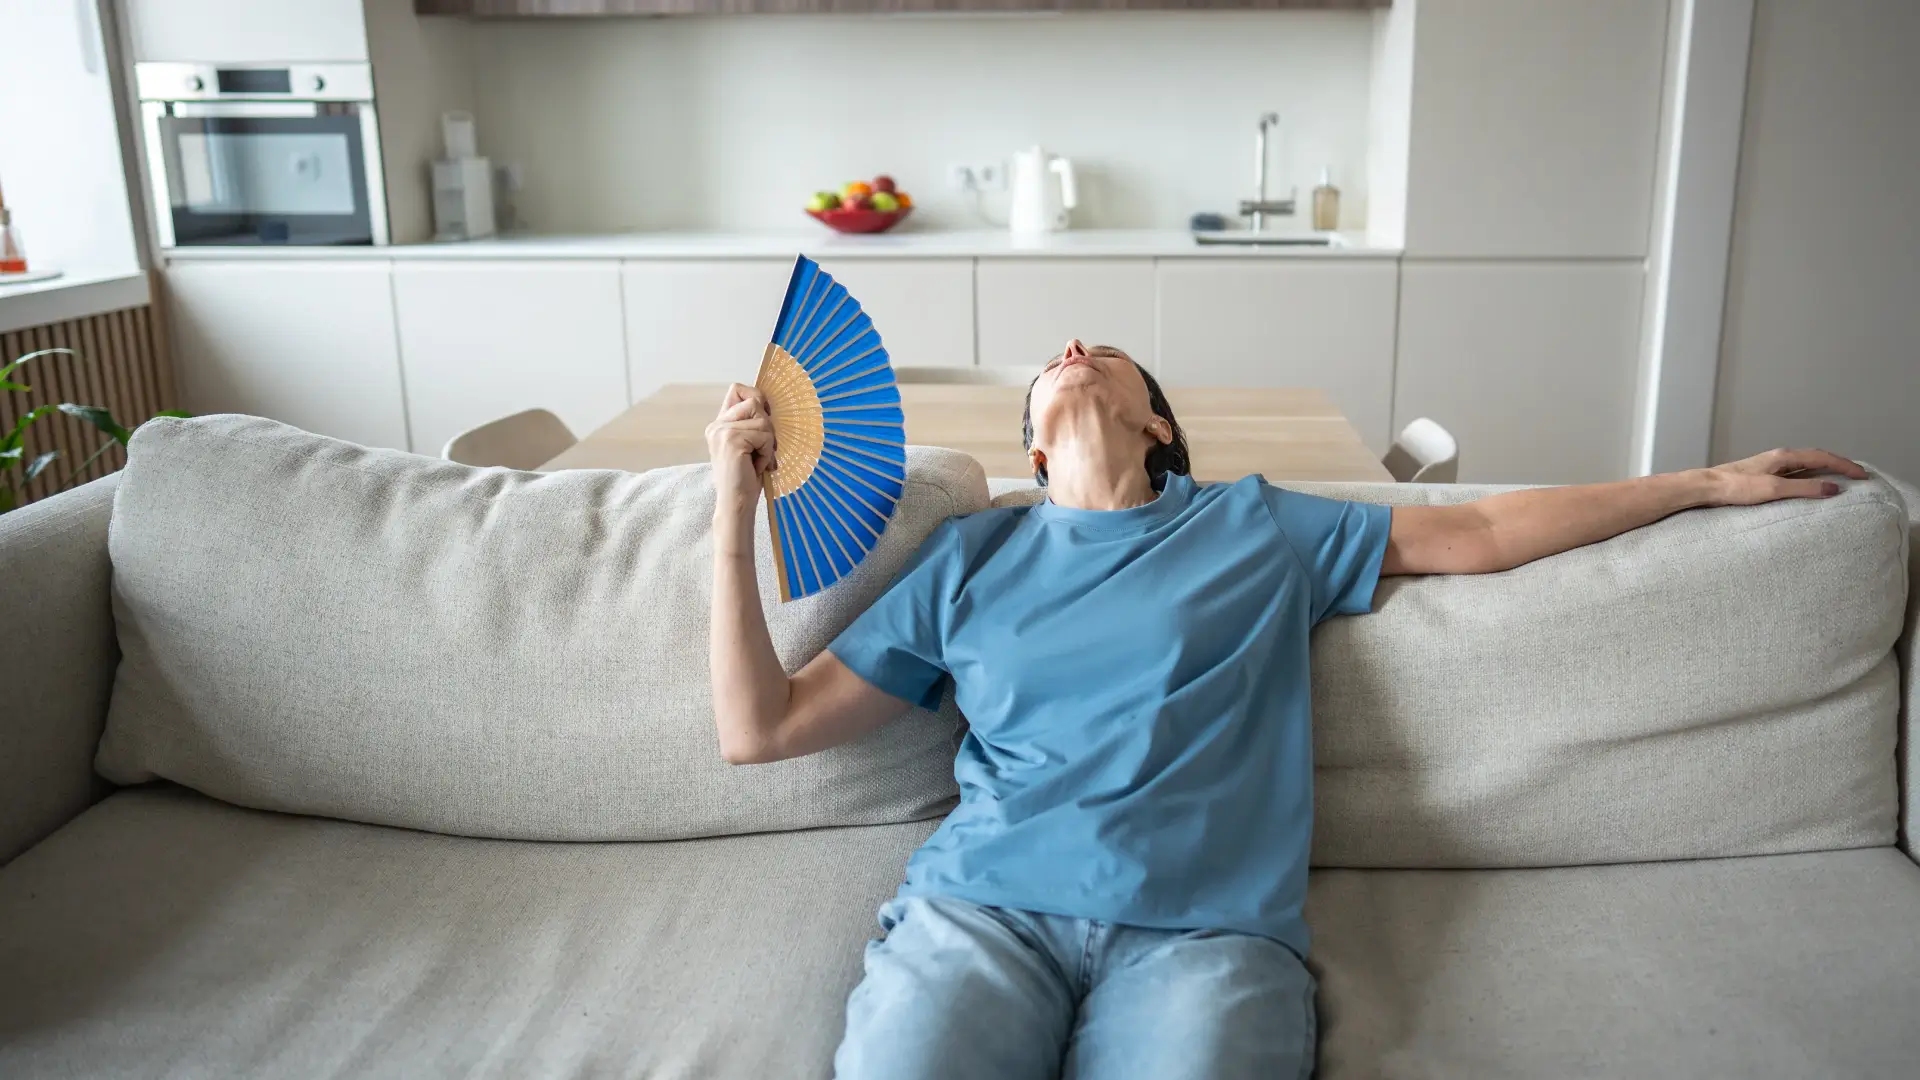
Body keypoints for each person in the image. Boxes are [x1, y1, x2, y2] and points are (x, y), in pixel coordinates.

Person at [704, 339, 1864, 1080]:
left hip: (1206, 937)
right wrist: (728, 504)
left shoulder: (1254, 525)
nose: (1068, 349)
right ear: (1029, 448)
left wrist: (1703, 483)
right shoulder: (973, 555)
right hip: (983, 914)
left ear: (1157, 427)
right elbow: (758, 728)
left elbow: (1486, 529)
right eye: (1055, 361)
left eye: (1102, 354)